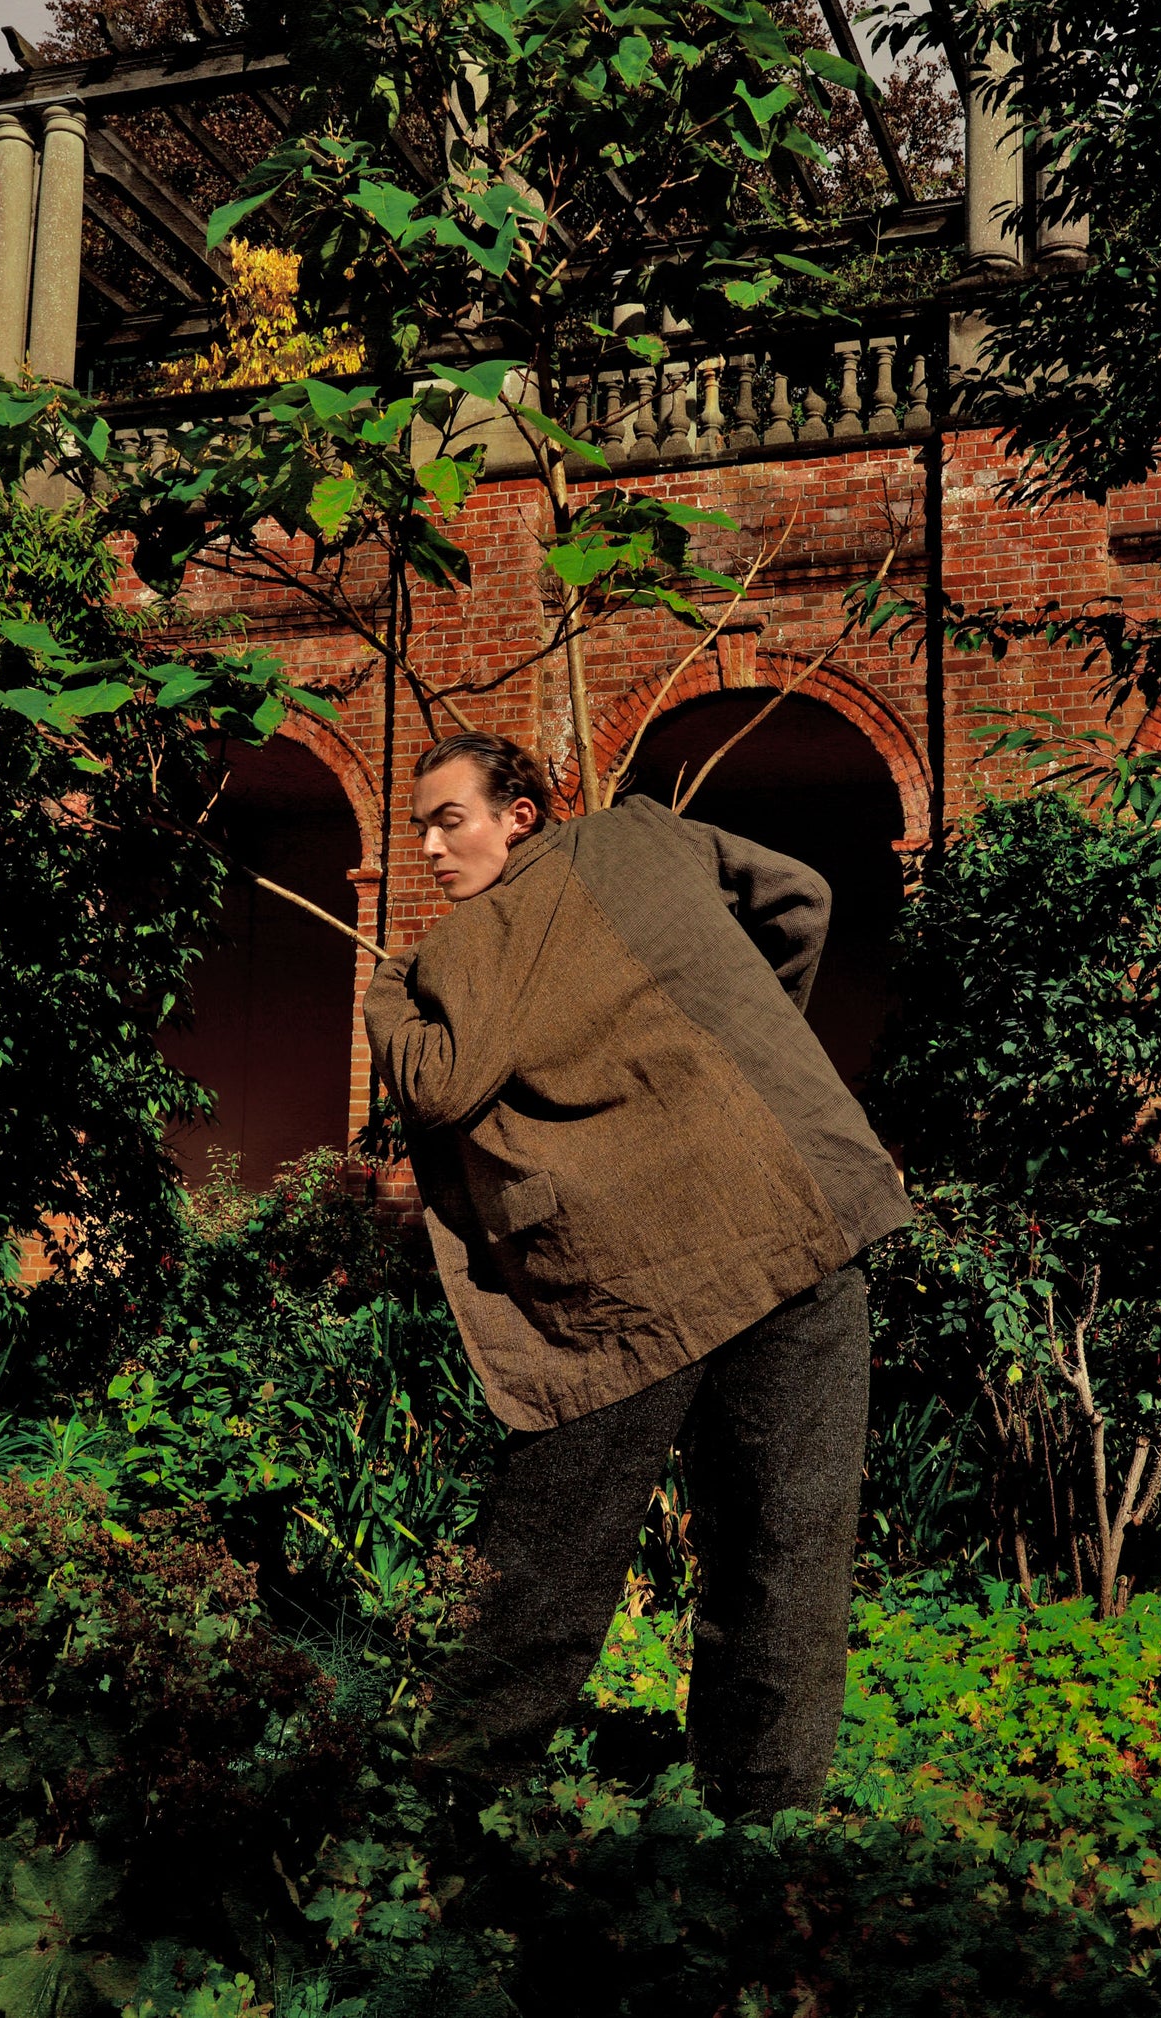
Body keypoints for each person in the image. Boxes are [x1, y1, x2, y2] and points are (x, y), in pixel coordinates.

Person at [364, 730, 912, 1819]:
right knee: (787, 1542)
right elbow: (800, 899)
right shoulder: (648, 837)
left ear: (520, 813)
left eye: (449, 818)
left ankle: (450, 1801)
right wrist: (733, 1048)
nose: (428, 846)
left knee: (549, 1550)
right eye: (418, 827)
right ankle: (765, 1820)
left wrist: (387, 997)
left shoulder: (466, 944)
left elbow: (441, 1085)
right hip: (797, 1211)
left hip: (628, 1273)